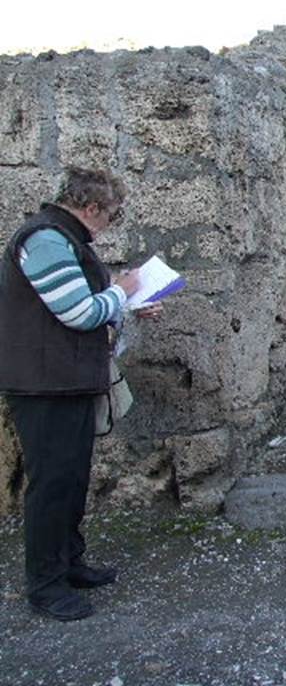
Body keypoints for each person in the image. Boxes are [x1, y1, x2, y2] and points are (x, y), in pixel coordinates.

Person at [0, 166, 162, 622]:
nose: (112, 222)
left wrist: (126, 303)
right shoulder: (47, 239)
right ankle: (46, 586)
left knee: (70, 479)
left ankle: (69, 562)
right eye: (113, 214)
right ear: (92, 208)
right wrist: (122, 291)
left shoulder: (62, 238)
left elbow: (86, 306)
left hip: (63, 379)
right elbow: (77, 312)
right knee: (52, 484)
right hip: (43, 384)